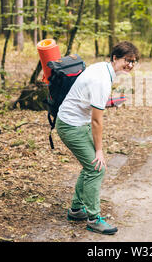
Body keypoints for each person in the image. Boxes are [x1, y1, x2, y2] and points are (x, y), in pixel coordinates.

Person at [56, 41, 140, 235]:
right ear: (115, 58)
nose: (130, 65)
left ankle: (76, 210)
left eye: (134, 62)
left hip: (77, 121)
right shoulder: (102, 80)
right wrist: (99, 150)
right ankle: (94, 219)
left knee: (91, 166)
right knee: (96, 167)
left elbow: (90, 101)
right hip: (71, 125)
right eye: (127, 60)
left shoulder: (102, 68)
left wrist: (107, 102)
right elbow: (96, 121)